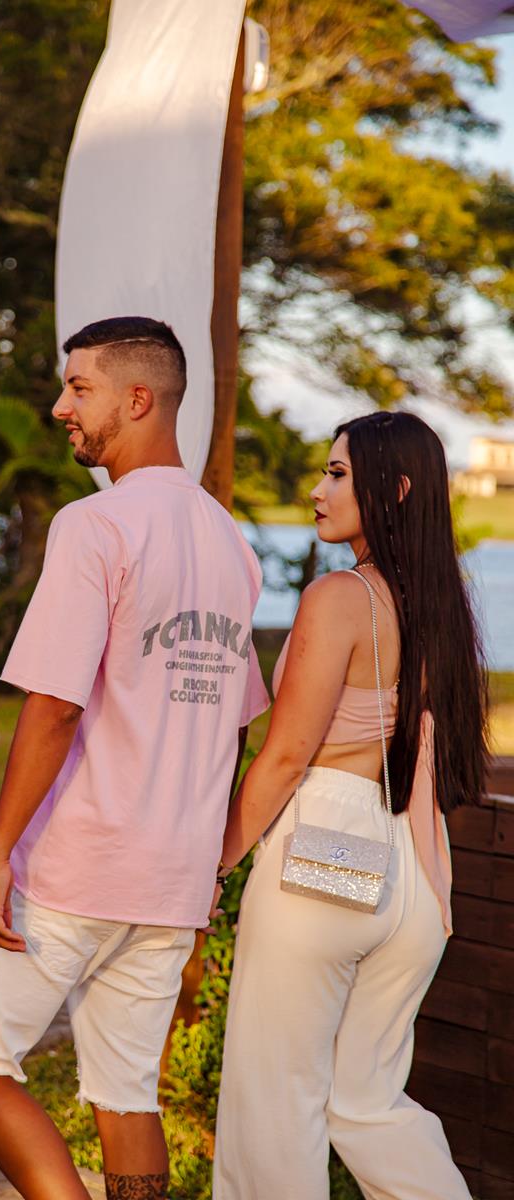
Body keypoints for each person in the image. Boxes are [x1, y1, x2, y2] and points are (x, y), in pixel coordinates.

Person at [0, 315, 269, 1200]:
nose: (60, 407)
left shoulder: (95, 525)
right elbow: (232, 726)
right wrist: (203, 862)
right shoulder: (231, 542)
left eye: (79, 388)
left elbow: (54, 705)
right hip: (170, 878)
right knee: (126, 1097)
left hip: (77, 866)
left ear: (139, 399)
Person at [212, 411, 488, 1200]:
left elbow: (286, 757)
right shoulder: (441, 607)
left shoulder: (340, 597)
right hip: (415, 866)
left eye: (337, 474)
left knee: (274, 1102)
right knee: (367, 1106)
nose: (316, 489)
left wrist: (212, 866)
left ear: (393, 489)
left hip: (328, 850)